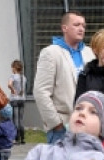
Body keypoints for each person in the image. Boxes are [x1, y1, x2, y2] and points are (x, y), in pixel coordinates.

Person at [34, 11, 95, 144]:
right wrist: (56, 124)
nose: (81, 29)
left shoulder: (89, 53)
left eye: (83, 26)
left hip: (86, 126)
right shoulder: (51, 53)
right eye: (77, 25)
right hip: (62, 127)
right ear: (64, 28)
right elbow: (41, 92)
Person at [8, 60, 26, 144]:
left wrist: (12, 90)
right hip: (22, 99)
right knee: (21, 119)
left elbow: (9, 84)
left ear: (15, 68)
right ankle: (23, 138)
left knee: (15, 119)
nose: (11, 69)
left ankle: (16, 138)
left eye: (12, 67)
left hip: (14, 99)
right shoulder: (24, 77)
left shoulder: (13, 76)